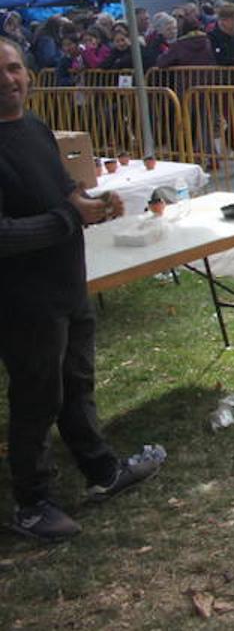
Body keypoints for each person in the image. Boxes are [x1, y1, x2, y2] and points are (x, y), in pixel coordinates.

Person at [0, 37, 165, 541]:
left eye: (14, 68)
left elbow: (62, 195)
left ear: (28, 73)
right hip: (23, 301)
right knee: (37, 399)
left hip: (68, 284)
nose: (8, 80)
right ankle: (32, 504)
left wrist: (92, 202)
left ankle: (102, 470)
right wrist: (69, 217)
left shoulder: (34, 127)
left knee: (77, 384)